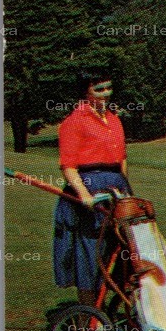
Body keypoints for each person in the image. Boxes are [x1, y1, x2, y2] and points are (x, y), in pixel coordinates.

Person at [53, 71, 130, 306]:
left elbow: (122, 159)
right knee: (90, 252)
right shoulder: (74, 121)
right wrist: (85, 195)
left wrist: (125, 192)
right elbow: (68, 166)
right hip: (89, 189)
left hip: (116, 188)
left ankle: (107, 309)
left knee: (120, 250)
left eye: (108, 87)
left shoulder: (114, 119)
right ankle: (88, 317)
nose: (105, 93)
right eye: (98, 89)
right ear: (85, 92)